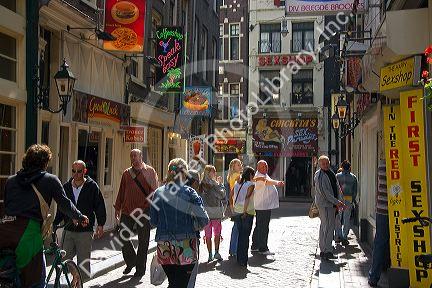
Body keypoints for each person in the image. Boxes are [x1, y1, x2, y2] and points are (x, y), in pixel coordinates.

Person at [0, 144, 89, 287]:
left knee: (9, 279)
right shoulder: (50, 180)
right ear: (45, 163)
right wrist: (79, 216)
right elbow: (65, 204)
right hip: (28, 236)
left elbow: (7, 207)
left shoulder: (11, 181)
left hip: (4, 234)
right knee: (35, 282)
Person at [150, 158, 209, 288]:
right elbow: (204, 219)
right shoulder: (190, 192)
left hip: (164, 245)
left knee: (173, 282)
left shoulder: (158, 193)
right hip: (186, 244)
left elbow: (153, 222)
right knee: (181, 283)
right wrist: (193, 225)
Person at [54, 160, 106, 280]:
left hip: (85, 231)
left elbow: (99, 205)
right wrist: (55, 222)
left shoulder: (92, 186)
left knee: (83, 263)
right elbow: (62, 207)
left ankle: (78, 282)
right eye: (74, 171)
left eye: (79, 171)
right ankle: (75, 277)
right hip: (69, 228)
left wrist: (101, 224)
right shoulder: (66, 187)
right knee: (64, 260)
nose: (76, 174)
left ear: (85, 171)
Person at [114, 149, 159, 278]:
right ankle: (131, 261)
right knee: (122, 236)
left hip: (144, 211)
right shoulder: (126, 173)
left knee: (143, 241)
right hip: (127, 211)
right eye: (131, 156)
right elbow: (121, 191)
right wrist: (118, 207)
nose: (133, 158)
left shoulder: (150, 171)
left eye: (135, 155)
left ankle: (140, 270)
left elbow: (154, 190)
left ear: (141, 157)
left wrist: (148, 204)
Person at [314, 155, 346, 260]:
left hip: (331, 205)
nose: (326, 165)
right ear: (319, 164)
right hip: (325, 205)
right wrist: (337, 202)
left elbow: (337, 187)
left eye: (327, 163)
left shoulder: (331, 172)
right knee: (327, 227)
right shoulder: (319, 175)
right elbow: (325, 193)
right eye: (323, 164)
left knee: (326, 226)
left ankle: (324, 249)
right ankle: (327, 250)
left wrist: (340, 201)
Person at [251, 160, 284, 255]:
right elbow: (267, 182)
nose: (265, 168)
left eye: (266, 166)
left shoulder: (262, 175)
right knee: (263, 227)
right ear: (258, 168)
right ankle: (263, 248)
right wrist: (277, 183)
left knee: (259, 226)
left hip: (263, 206)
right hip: (263, 206)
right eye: (262, 167)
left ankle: (255, 246)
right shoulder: (259, 176)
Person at [368, 160, 390, 287]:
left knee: (380, 242)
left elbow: (378, 188)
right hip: (398, 209)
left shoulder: (382, 164)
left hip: (382, 208)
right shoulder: (403, 160)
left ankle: (374, 276)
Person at [199, 165, 226, 262]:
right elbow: (222, 195)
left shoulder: (201, 184)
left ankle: (210, 254)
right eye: (213, 171)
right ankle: (216, 252)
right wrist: (221, 184)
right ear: (208, 172)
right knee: (217, 233)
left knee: (208, 234)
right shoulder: (214, 184)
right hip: (215, 213)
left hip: (205, 213)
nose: (215, 173)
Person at [232, 166, 255, 267]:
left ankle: (238, 258)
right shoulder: (251, 184)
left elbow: (230, 196)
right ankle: (243, 260)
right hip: (247, 212)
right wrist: (245, 211)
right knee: (245, 237)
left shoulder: (237, 183)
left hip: (237, 211)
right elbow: (247, 198)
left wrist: (232, 208)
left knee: (240, 235)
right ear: (250, 175)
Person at [335, 160, 358, 246]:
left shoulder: (337, 176)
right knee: (347, 219)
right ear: (350, 167)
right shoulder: (353, 177)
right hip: (349, 198)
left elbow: (335, 188)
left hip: (339, 199)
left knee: (338, 218)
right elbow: (355, 191)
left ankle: (338, 235)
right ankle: (345, 236)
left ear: (342, 167)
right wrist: (353, 199)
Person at [227, 159, 243, 257]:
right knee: (237, 228)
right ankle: (234, 250)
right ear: (233, 167)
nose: (240, 166)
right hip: (238, 204)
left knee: (236, 227)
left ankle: (233, 249)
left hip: (235, 204)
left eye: (240, 164)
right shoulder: (237, 176)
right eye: (238, 165)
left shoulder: (231, 176)